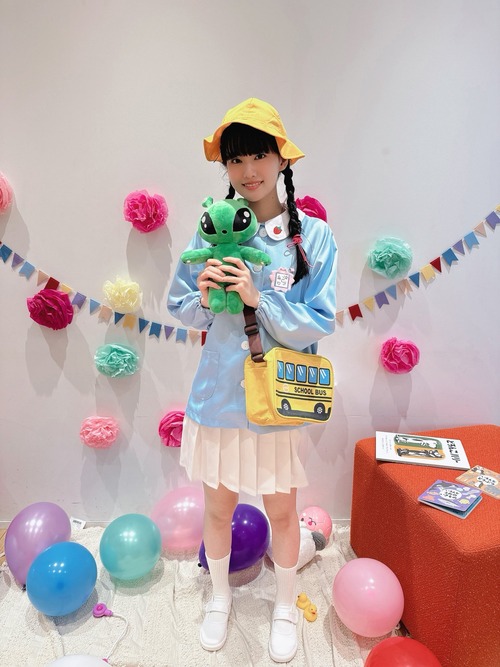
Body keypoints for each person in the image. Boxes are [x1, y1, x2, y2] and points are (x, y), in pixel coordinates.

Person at [167, 98, 337, 663]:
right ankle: (219, 598)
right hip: (218, 396)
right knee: (217, 510)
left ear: (282, 158)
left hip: (276, 401)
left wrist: (258, 298)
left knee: (282, 512)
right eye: (235, 159)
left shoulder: (312, 236)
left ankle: (285, 606)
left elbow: (320, 319)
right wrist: (204, 293)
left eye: (259, 155)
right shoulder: (209, 230)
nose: (248, 170)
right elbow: (179, 306)